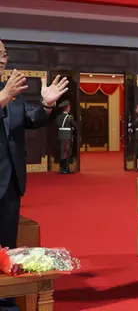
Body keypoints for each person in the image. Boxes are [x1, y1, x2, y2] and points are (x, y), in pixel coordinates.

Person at [0, 39, 69, 252]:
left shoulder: (11, 91)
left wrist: (47, 104)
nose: (2, 58)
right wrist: (2, 97)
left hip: (10, 179)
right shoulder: (7, 93)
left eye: (4, 53)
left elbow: (32, 118)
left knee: (7, 244)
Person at [56, 100, 76, 174]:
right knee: (66, 153)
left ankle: (62, 168)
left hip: (60, 135)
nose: (70, 108)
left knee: (62, 152)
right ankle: (65, 168)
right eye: (69, 107)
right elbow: (75, 125)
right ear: (67, 107)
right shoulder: (69, 117)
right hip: (67, 136)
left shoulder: (58, 117)